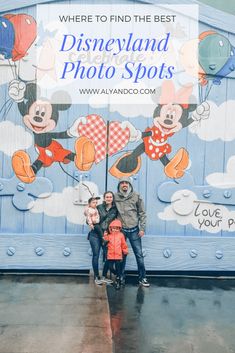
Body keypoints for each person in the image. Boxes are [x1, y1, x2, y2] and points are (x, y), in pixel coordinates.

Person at [115, 177, 150, 287]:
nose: (124, 184)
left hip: (134, 230)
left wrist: (142, 228)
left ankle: (142, 278)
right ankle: (120, 276)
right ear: (120, 185)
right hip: (121, 231)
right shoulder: (115, 197)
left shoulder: (136, 196)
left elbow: (142, 213)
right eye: (122, 183)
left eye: (126, 183)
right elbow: (109, 210)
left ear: (129, 185)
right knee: (121, 255)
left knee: (139, 254)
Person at [88, 191, 118, 285]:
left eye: (110, 197)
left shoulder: (115, 209)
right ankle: (97, 277)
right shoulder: (99, 207)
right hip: (95, 235)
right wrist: (89, 223)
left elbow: (115, 222)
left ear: (112, 198)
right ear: (104, 198)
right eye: (107, 197)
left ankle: (104, 276)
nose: (109, 198)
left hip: (106, 235)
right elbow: (90, 216)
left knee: (108, 256)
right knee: (96, 255)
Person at [104, 219, 128, 290]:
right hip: (111, 255)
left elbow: (123, 244)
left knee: (118, 267)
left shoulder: (121, 235)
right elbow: (105, 240)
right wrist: (105, 235)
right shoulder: (109, 236)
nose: (115, 230)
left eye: (117, 228)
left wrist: (125, 250)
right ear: (110, 228)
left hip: (118, 255)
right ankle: (118, 274)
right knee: (111, 267)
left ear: (119, 229)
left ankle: (118, 280)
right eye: (113, 228)